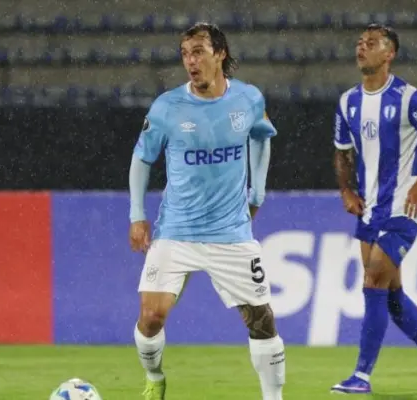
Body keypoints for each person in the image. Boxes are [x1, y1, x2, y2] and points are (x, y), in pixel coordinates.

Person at [128, 22, 285, 400]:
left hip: (230, 232)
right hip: (176, 230)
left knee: (261, 320)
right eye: (185, 54)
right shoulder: (167, 107)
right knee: (151, 318)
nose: (190, 61)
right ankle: (155, 376)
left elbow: (261, 137)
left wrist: (257, 193)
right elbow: (142, 158)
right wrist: (137, 214)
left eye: (198, 52)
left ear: (220, 54)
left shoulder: (248, 99)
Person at [330, 24, 417, 395]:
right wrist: (346, 190)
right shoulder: (347, 102)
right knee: (391, 297)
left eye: (371, 44)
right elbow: (342, 152)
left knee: (373, 282)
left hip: (403, 207)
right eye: (359, 42)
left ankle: (361, 376)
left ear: (389, 54)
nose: (361, 48)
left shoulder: (408, 99)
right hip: (369, 210)